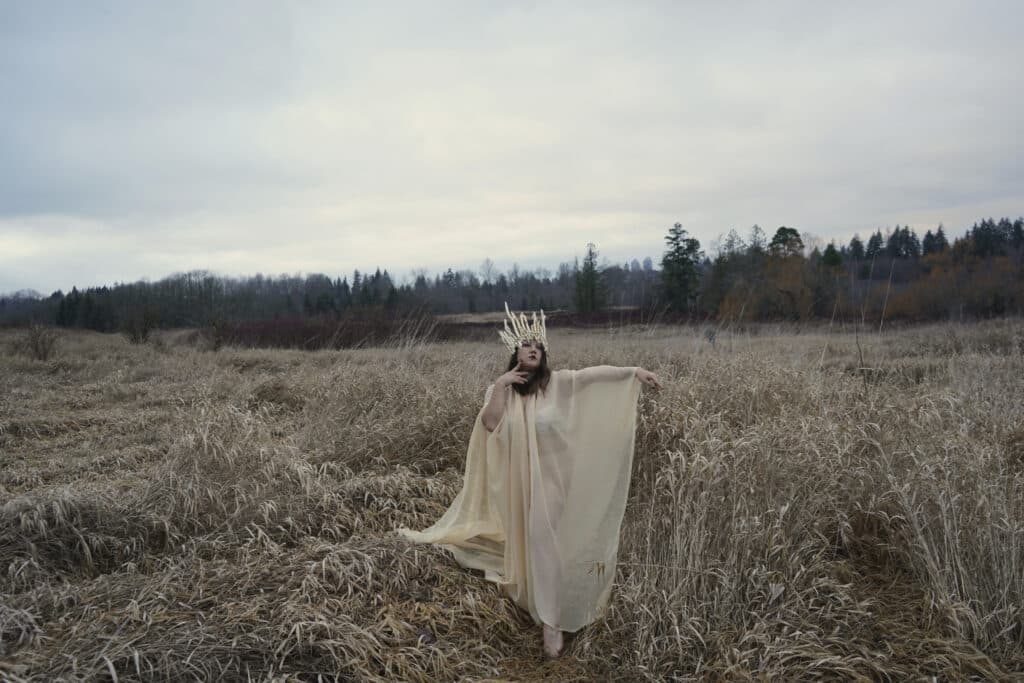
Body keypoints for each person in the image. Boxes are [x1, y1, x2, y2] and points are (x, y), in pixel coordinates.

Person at [398, 304, 662, 658]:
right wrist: (501, 385)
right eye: (526, 345)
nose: (533, 348)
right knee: (538, 542)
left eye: (538, 346)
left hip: (554, 479)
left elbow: (593, 375)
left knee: (541, 537)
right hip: (519, 480)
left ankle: (552, 623)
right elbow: (490, 424)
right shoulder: (504, 391)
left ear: (544, 354)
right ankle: (545, 598)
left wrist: (633, 371)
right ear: (515, 354)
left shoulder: (557, 383)